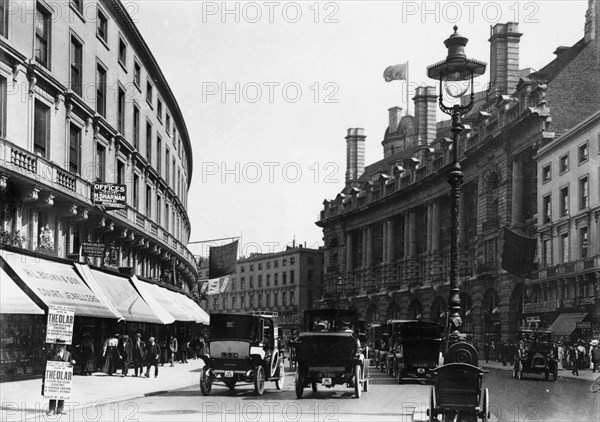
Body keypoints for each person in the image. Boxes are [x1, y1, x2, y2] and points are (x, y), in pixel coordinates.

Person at [44, 342, 76, 416]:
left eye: (61, 345)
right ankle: (51, 409)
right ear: (56, 345)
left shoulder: (68, 354)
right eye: (58, 345)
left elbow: (71, 363)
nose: (59, 347)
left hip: (63, 377)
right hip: (53, 377)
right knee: (53, 392)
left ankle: (60, 409)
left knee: (62, 392)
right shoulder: (51, 353)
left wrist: (73, 362)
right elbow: (46, 364)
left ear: (64, 346)